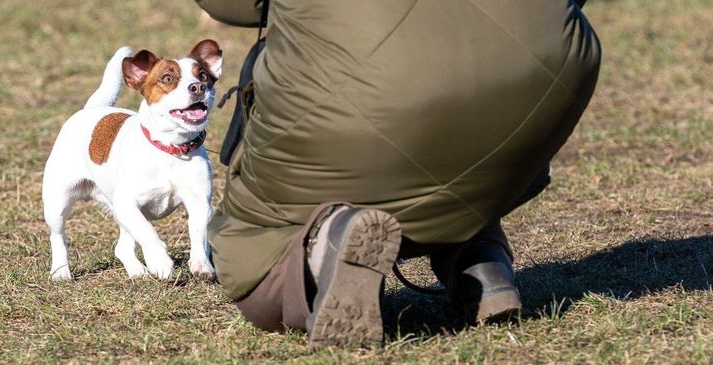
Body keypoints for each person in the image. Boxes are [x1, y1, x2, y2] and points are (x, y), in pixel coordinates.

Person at [195, 0, 600, 349]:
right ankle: (479, 257)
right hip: (538, 75)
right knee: (460, 119)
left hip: (367, 99)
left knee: (253, 251)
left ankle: (326, 244)